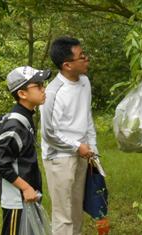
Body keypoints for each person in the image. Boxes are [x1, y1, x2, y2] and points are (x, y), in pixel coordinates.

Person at [40, 36, 99, 235]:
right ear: (67, 65)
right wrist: (77, 146)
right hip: (59, 158)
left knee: (76, 211)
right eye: (82, 56)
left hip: (82, 153)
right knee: (63, 215)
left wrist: (93, 149)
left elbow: (87, 117)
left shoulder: (85, 82)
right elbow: (49, 134)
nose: (87, 59)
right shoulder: (53, 92)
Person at [0, 66, 51, 235]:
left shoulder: (24, 117)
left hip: (27, 197)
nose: (43, 89)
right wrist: (25, 188)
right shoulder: (16, 125)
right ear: (22, 94)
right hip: (17, 200)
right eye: (38, 86)